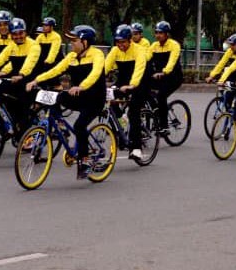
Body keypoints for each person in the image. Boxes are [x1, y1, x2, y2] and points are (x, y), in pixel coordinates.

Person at [27, 25, 106, 179]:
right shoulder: (71, 57)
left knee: (79, 126)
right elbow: (55, 70)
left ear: (85, 42)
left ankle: (85, 160)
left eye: (74, 41)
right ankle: (61, 127)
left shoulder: (97, 55)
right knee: (54, 98)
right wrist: (36, 80)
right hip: (77, 95)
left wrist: (81, 86)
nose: (71, 44)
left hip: (95, 98)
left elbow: (96, 73)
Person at [0, 17, 42, 134]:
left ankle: (26, 134)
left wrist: (21, 74)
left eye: (21, 33)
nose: (18, 36)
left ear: (25, 32)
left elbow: (29, 63)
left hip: (30, 80)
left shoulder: (34, 46)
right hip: (16, 79)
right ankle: (8, 122)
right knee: (0, 91)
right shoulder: (11, 46)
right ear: (11, 35)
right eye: (14, 34)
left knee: (22, 105)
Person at [104, 24, 149, 160]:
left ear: (130, 40)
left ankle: (136, 148)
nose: (120, 44)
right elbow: (104, 67)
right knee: (109, 102)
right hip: (122, 82)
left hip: (140, 82)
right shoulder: (114, 51)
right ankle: (122, 123)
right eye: (118, 42)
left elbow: (139, 68)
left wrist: (132, 85)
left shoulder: (139, 50)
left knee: (134, 112)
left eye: (123, 41)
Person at [147, 21, 183, 134]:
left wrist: (164, 72)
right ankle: (156, 112)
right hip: (159, 78)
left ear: (167, 34)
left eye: (161, 33)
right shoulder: (154, 46)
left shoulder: (174, 45)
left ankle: (164, 126)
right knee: (144, 91)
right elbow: (145, 59)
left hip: (174, 77)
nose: (158, 35)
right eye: (156, 32)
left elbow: (172, 62)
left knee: (161, 95)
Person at [34, 17, 63, 87]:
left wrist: (47, 62)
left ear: (51, 27)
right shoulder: (40, 37)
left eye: (46, 26)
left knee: (50, 71)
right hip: (43, 61)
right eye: (43, 25)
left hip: (56, 60)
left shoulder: (56, 37)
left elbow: (53, 52)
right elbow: (35, 50)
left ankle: (58, 87)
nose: (44, 27)